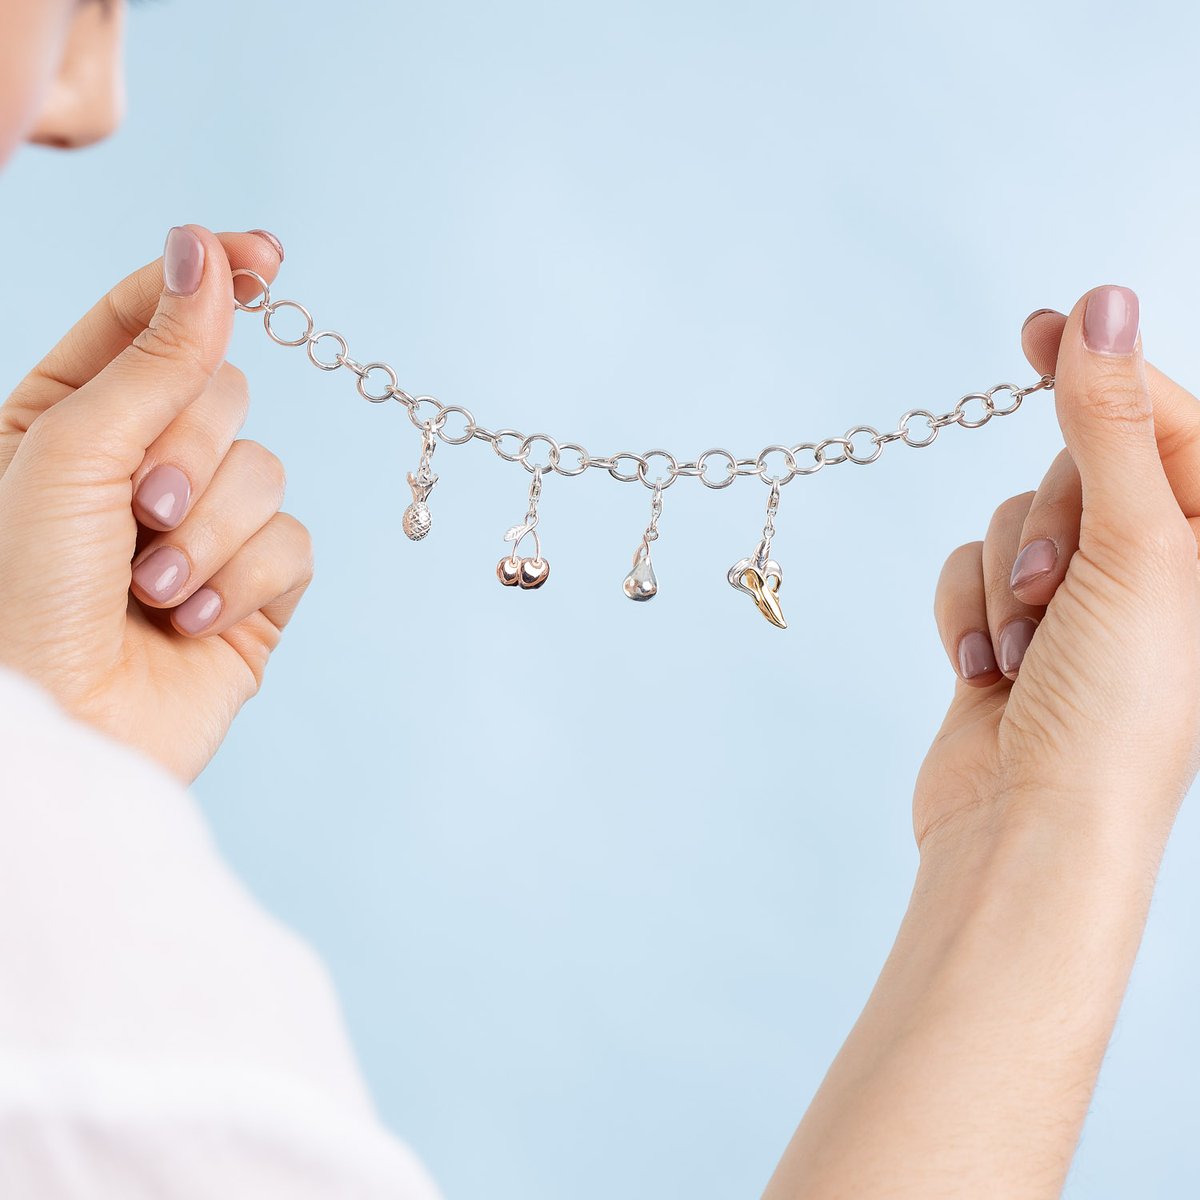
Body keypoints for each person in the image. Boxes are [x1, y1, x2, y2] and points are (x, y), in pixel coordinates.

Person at [1, 2, 1196, 1197]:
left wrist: (57, 754)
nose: (93, 92)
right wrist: (1056, 833)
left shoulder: (74, 958)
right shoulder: (122, 1069)